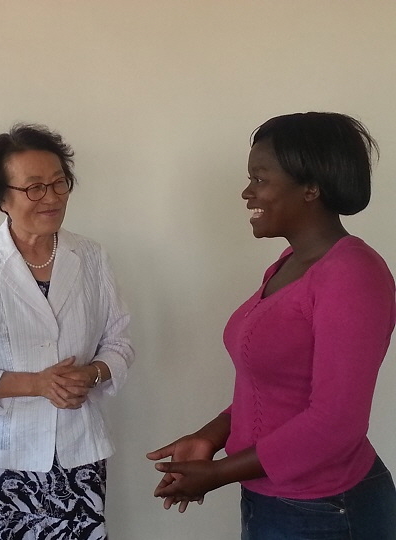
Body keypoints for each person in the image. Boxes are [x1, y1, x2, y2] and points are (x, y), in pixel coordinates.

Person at [147, 112, 396, 539]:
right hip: (273, 499)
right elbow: (269, 389)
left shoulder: (353, 275)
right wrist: (209, 438)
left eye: (259, 179)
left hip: (327, 509)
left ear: (311, 188)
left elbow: (336, 424)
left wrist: (218, 473)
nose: (247, 192)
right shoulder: (289, 264)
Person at [0, 124, 134, 539]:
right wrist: (38, 384)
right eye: (35, 187)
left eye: (59, 183)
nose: (52, 197)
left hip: (78, 454)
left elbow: (119, 342)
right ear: (1, 197)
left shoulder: (91, 257)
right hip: (0, 459)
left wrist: (93, 372)